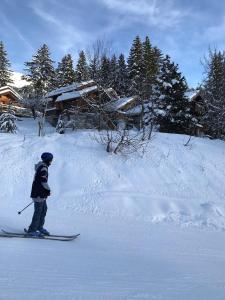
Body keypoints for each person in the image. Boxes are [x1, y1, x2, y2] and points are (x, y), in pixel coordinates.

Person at [27, 152, 53, 237]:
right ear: (48, 160)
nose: (51, 162)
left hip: (40, 194)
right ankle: (32, 230)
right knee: (38, 212)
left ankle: (39, 227)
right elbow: (43, 181)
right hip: (38, 194)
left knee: (44, 209)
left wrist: (45, 191)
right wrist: (48, 190)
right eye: (51, 160)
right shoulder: (43, 168)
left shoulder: (42, 167)